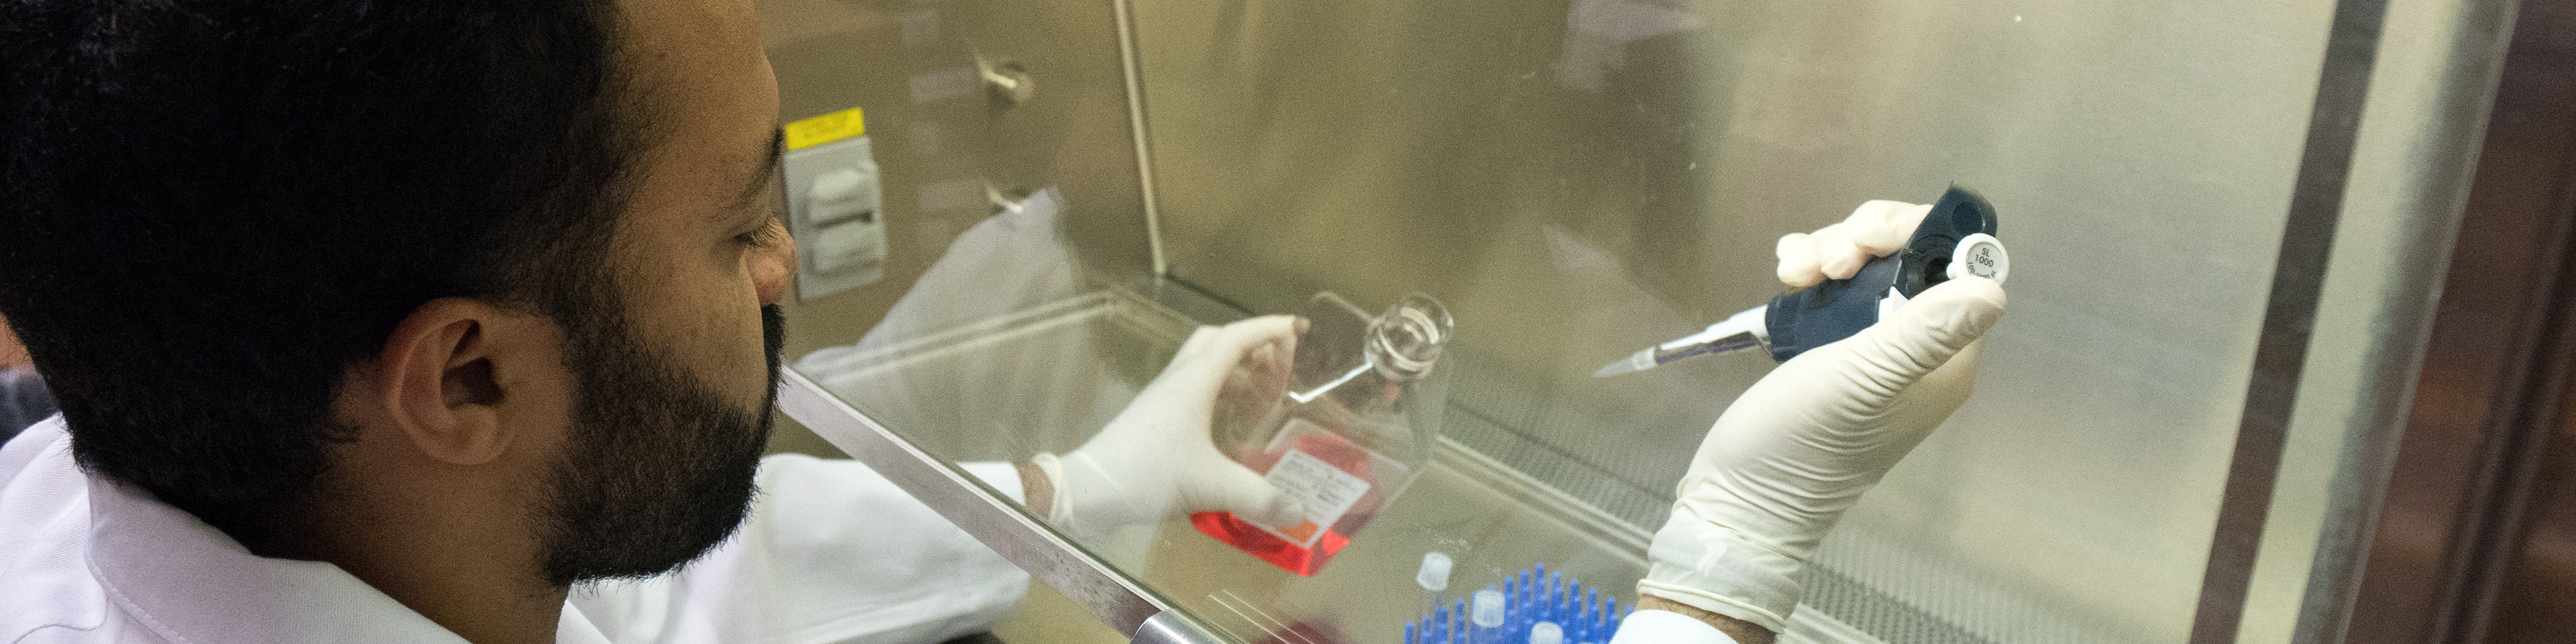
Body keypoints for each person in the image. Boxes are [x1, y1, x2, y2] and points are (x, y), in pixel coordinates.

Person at [0, 3, 2004, 644]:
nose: (786, 274)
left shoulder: (200, 505)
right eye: (738, 227)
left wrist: (1082, 487)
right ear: (463, 374)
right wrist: (1727, 566)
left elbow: (657, 589)